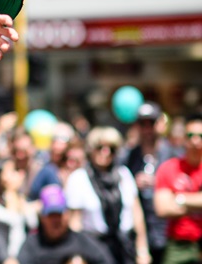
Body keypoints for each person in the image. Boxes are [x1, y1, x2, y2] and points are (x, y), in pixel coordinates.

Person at [64, 126, 150, 264]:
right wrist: (76, 255)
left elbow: (137, 214)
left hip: (124, 247)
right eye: (100, 147)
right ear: (91, 149)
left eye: (111, 148)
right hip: (94, 249)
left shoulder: (124, 175)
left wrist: (142, 249)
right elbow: (75, 224)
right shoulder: (79, 178)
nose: (105, 152)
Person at [121, 102, 177, 264]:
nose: (147, 129)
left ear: (159, 124)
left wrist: (161, 183)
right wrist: (132, 184)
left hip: (168, 234)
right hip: (138, 234)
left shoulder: (172, 154)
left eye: (151, 123)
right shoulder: (127, 157)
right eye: (142, 124)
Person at [153, 112, 202, 264]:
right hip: (179, 244)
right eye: (191, 135)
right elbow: (162, 208)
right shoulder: (169, 168)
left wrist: (179, 199)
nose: (195, 141)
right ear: (183, 139)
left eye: (200, 135)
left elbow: (171, 204)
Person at [17, 185, 111, 264]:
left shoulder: (82, 241)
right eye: (51, 215)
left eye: (59, 215)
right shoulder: (32, 243)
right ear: (42, 218)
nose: (56, 221)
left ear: (67, 214)